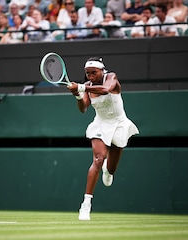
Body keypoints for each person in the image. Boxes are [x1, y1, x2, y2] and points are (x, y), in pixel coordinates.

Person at [67, 57, 139, 221]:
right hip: (100, 124)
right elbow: (83, 109)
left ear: (102, 70)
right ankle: (86, 205)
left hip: (119, 124)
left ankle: (109, 169)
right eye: (88, 74)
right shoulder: (88, 87)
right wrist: (78, 95)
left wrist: (80, 86)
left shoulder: (111, 78)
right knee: (98, 159)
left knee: (111, 169)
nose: (91, 76)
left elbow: (106, 89)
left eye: (94, 73)